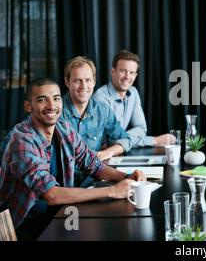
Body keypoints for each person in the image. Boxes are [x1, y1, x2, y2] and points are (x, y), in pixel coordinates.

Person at [0, 78, 144, 240]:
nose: (51, 105)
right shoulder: (22, 141)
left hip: (60, 215)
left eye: (56, 98)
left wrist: (126, 177)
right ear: (28, 106)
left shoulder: (64, 128)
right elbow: (52, 195)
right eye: (42, 100)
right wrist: (112, 191)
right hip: (24, 228)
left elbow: (93, 164)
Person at [62, 56, 132, 187]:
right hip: (64, 186)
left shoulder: (102, 111)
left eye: (88, 80)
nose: (84, 86)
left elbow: (125, 140)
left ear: (94, 82)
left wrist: (107, 153)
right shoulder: (55, 112)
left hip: (93, 181)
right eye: (77, 81)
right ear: (67, 82)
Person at [93, 50, 175, 148]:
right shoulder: (100, 97)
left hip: (119, 153)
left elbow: (141, 128)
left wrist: (123, 141)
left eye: (131, 72)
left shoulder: (133, 93)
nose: (127, 77)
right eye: (123, 71)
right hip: (101, 155)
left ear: (135, 76)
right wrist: (154, 140)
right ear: (113, 72)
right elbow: (112, 141)